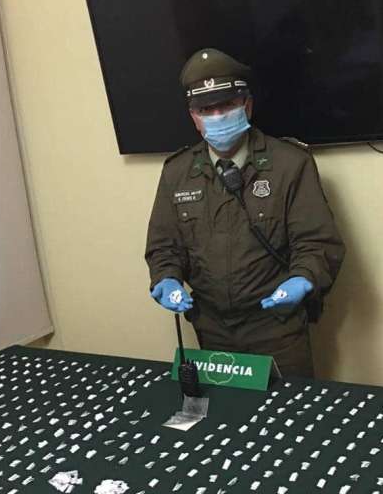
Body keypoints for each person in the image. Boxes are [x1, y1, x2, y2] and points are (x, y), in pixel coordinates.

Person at [145, 48, 345, 378]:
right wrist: (166, 278)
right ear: (194, 118)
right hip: (211, 328)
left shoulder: (290, 164)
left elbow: (317, 242)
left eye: (227, 105)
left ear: (247, 105)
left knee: (287, 408)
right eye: (206, 110)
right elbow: (164, 245)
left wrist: (302, 279)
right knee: (226, 407)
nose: (217, 116)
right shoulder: (176, 173)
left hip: (277, 327)